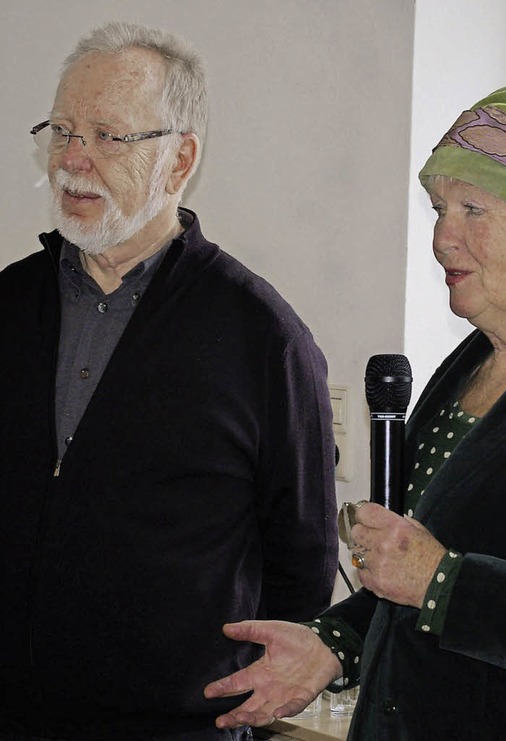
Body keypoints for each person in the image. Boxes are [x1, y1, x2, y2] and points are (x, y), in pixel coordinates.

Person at [204, 86, 506, 739]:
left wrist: (444, 582)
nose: (441, 238)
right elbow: (416, 581)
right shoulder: (466, 373)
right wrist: (335, 645)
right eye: (440, 209)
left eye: (473, 210)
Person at [0, 21, 338, 741]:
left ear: (180, 158)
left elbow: (303, 571)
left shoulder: (263, 338)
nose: (72, 159)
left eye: (107, 136)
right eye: (61, 131)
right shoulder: (6, 305)